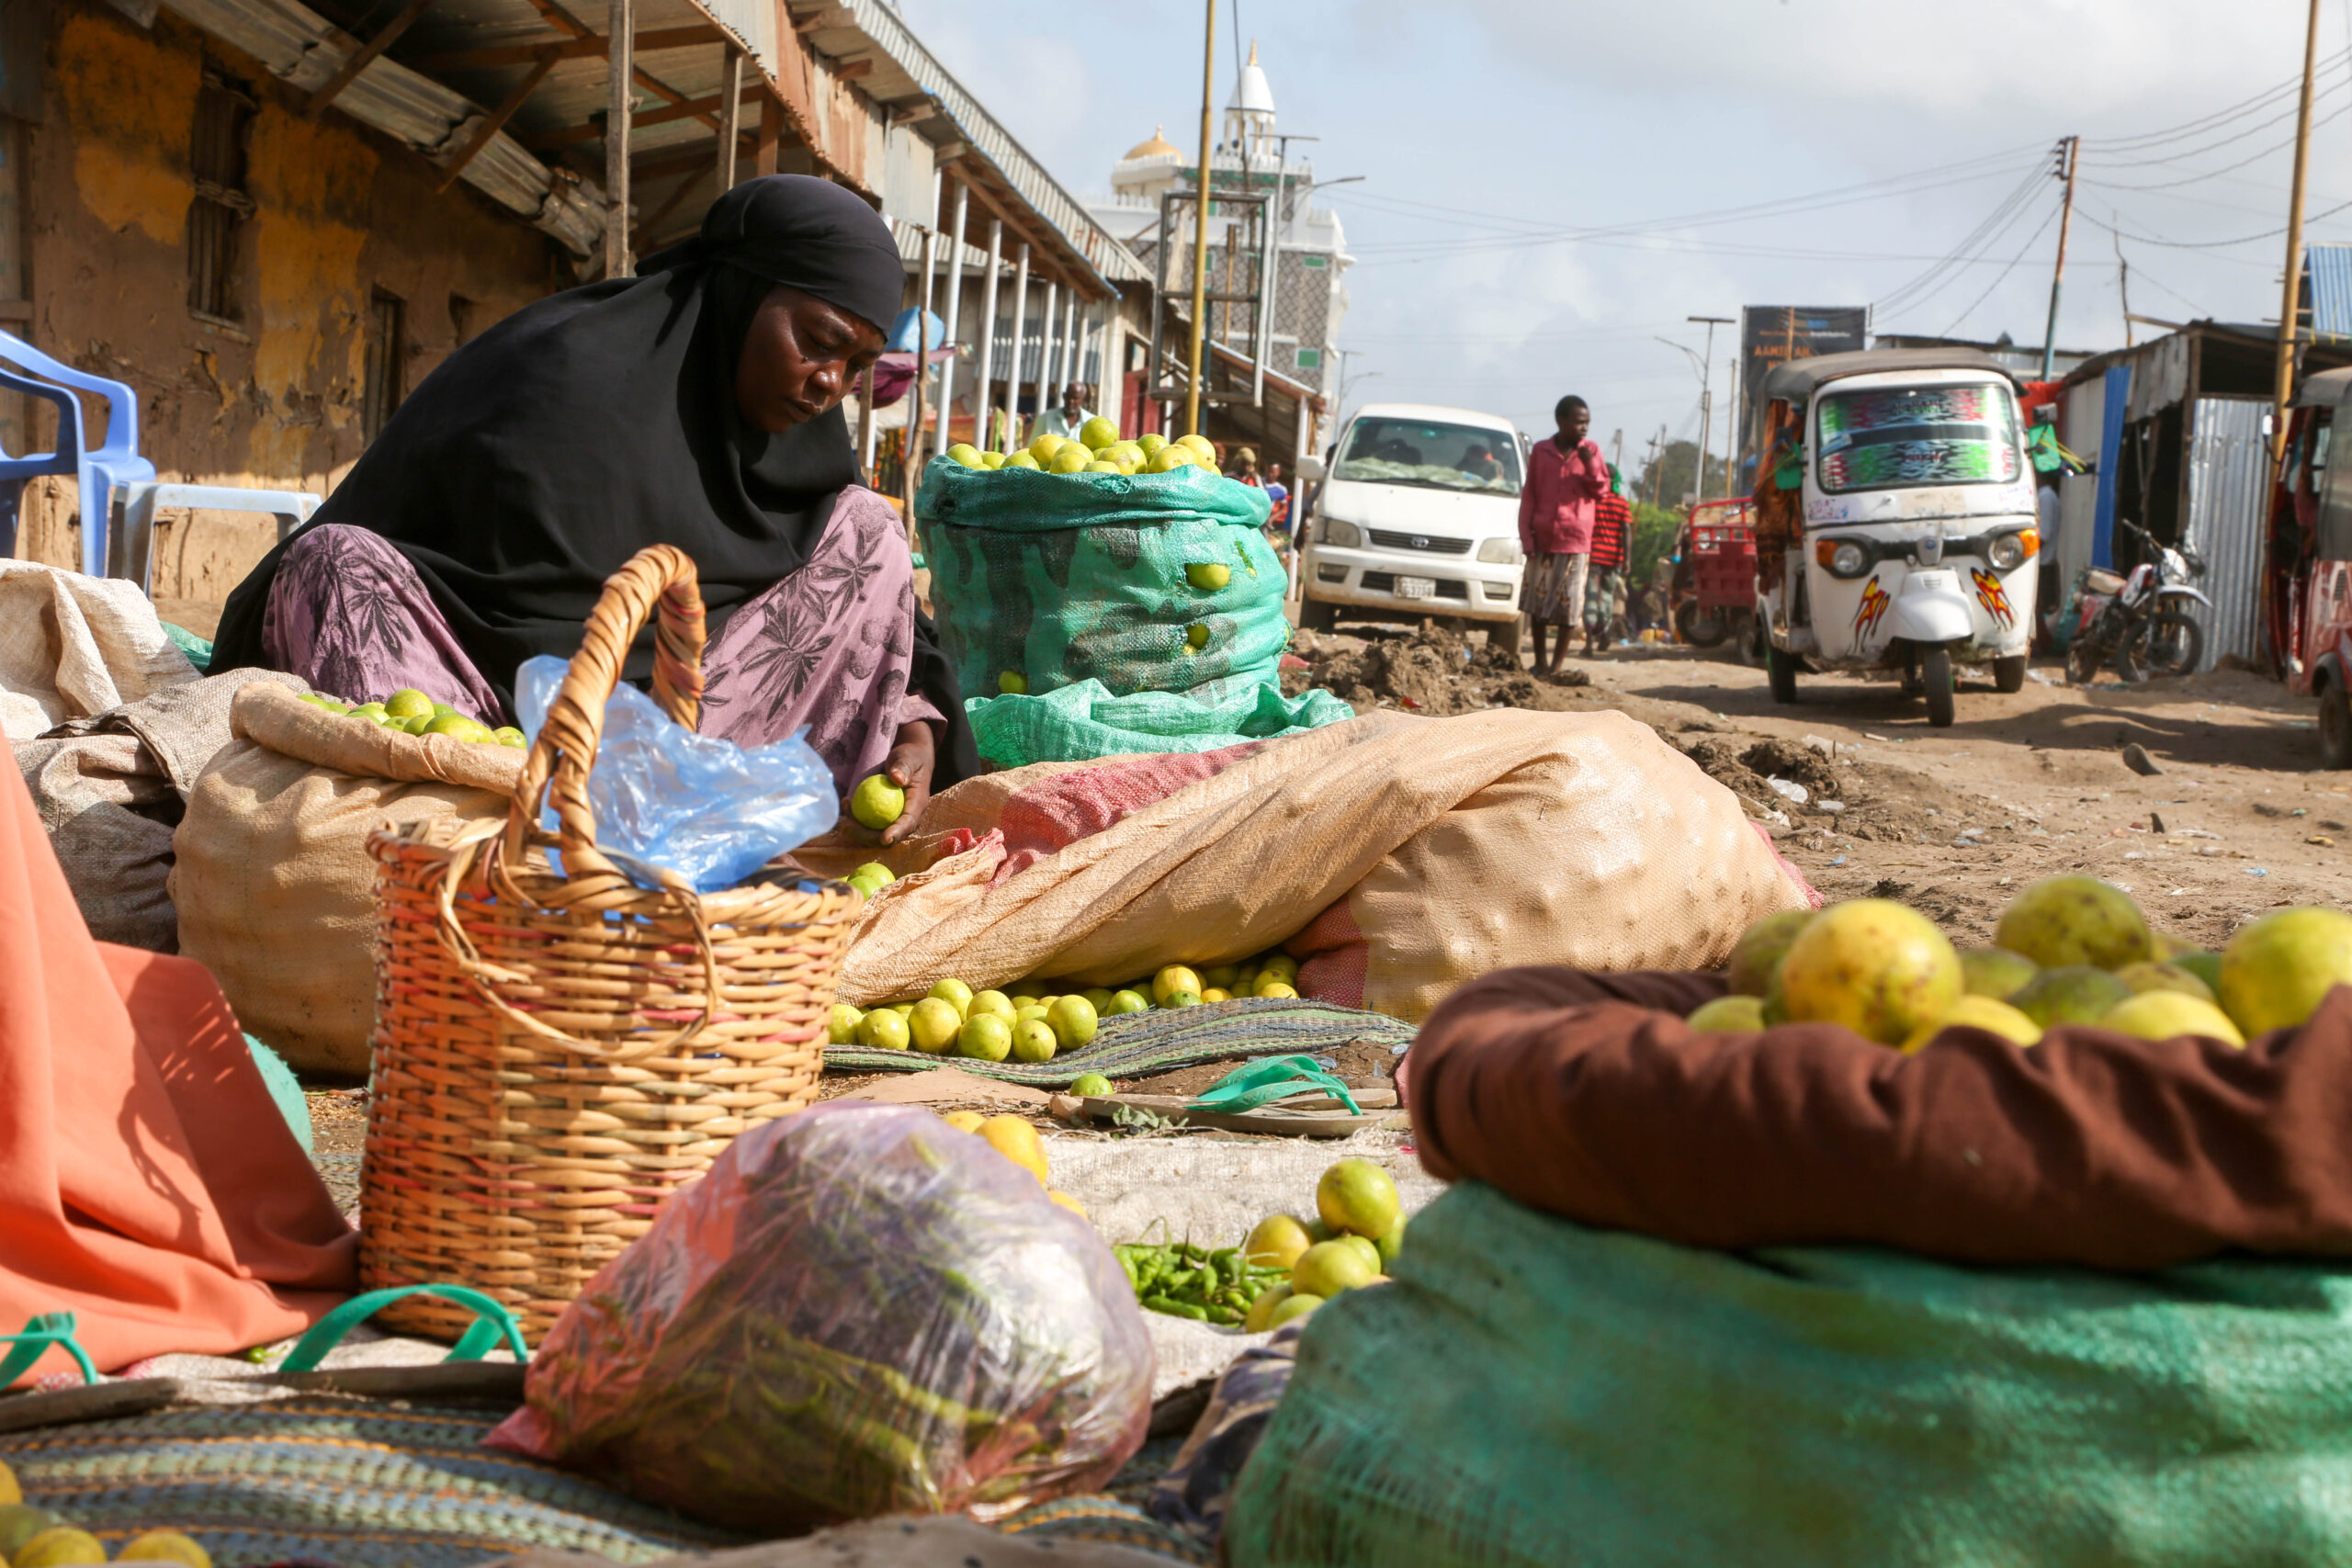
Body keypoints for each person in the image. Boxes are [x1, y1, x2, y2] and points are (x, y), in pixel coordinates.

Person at [209, 176, 976, 843]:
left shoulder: (802, 449)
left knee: (871, 532)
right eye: (818, 342)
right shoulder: (563, 374)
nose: (829, 382)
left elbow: (896, 630)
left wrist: (914, 723)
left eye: (855, 367)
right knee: (330, 564)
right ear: (741, 290)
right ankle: (462, 856)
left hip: (673, 764)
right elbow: (491, 596)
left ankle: (670, 840)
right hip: (480, 728)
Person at [1518, 394, 1610, 676]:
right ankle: (1540, 663)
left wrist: (1590, 465)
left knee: (1570, 607)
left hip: (1575, 541)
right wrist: (1527, 538)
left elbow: (1602, 491)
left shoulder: (1592, 451)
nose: (1584, 428)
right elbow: (1530, 495)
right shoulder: (1542, 452)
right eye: (1579, 422)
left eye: (1587, 423)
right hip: (1543, 539)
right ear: (1561, 421)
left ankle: (1557, 667)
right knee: (1537, 605)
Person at [1583, 464, 1633, 654]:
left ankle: (1588, 642)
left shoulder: (1593, 501)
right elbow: (1626, 530)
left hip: (1593, 556)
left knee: (1590, 598)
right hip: (1614, 560)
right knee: (1606, 597)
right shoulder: (1622, 503)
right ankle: (1603, 636)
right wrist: (1627, 559)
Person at [1031, 381, 1095, 446]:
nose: (1071, 401)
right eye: (1068, 397)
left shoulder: (1091, 422)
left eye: (1075, 398)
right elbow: (1031, 447)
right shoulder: (1045, 418)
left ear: (1084, 400)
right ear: (1064, 396)